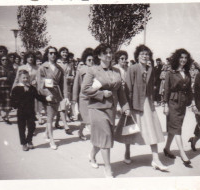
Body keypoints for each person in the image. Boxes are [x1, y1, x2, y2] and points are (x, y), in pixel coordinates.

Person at [115, 45, 168, 172]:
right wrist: (126, 106)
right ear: (137, 56)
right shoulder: (132, 68)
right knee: (130, 129)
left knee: (152, 129)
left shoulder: (151, 69)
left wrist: (152, 102)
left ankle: (156, 159)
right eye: (142, 54)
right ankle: (127, 153)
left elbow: (151, 88)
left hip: (147, 103)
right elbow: (127, 88)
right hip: (134, 103)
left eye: (147, 54)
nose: (145, 56)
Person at [81, 44, 130, 178]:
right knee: (106, 135)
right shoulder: (92, 70)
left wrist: (125, 107)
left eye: (110, 52)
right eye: (105, 53)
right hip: (97, 108)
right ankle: (108, 169)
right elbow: (84, 90)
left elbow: (120, 92)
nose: (109, 55)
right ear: (99, 55)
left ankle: (92, 155)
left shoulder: (117, 71)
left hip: (111, 109)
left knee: (104, 137)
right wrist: (101, 93)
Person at [163, 48, 193, 167]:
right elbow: (166, 89)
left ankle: (166, 148)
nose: (183, 60)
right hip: (173, 102)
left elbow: (189, 88)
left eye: (185, 58)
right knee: (177, 128)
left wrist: (191, 102)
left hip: (183, 103)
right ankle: (183, 154)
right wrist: (165, 104)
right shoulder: (171, 72)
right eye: (181, 57)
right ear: (177, 58)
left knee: (174, 127)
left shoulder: (187, 72)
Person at [11, 70, 51, 151]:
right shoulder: (16, 88)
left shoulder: (32, 88)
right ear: (19, 78)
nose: (25, 79)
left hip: (30, 111)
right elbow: (13, 100)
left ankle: (29, 140)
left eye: (27, 77)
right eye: (23, 78)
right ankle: (24, 143)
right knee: (21, 127)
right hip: (21, 111)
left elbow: (38, 96)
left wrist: (46, 99)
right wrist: (15, 105)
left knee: (32, 126)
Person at [37, 46, 69, 150]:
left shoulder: (59, 68)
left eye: (55, 53)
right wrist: (46, 94)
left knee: (54, 115)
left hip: (57, 95)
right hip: (48, 96)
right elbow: (40, 85)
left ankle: (46, 134)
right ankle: (51, 140)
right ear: (47, 54)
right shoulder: (43, 67)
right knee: (50, 117)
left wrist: (65, 97)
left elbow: (63, 83)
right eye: (50, 53)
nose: (53, 55)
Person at [72, 48, 94, 140]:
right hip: (84, 97)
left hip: (94, 96)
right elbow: (76, 85)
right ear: (85, 60)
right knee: (86, 117)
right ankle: (94, 137)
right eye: (89, 60)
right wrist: (74, 99)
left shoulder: (97, 69)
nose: (91, 61)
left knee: (91, 117)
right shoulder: (81, 70)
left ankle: (80, 131)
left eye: (93, 60)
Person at [0, 54, 16, 124]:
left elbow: (13, 77)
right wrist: (2, 79)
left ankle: (7, 117)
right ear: (0, 60)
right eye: (3, 60)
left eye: (6, 59)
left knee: (8, 103)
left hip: (8, 88)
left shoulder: (10, 68)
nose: (5, 61)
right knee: (0, 102)